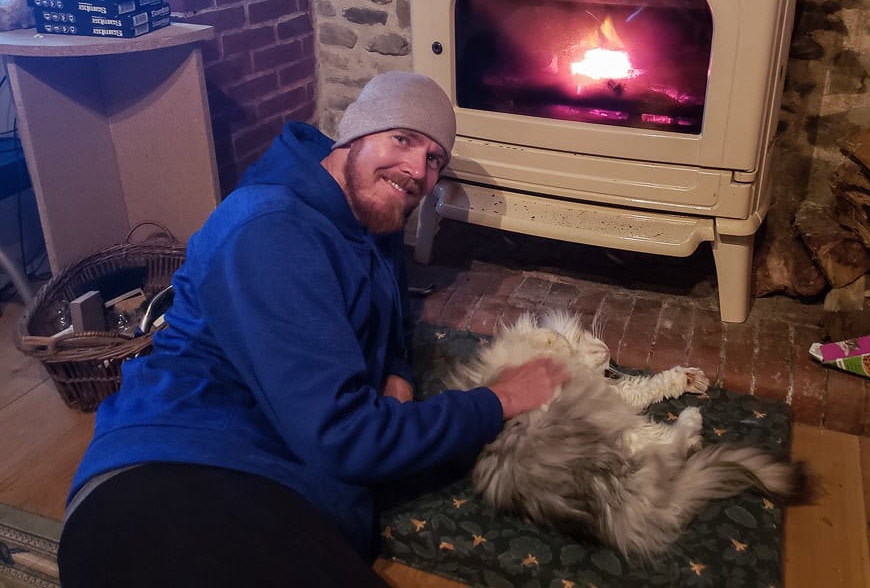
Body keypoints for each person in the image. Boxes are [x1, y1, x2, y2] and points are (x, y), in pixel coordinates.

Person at [57, 71, 569, 588]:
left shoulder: (372, 213)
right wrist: (499, 400)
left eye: (435, 158)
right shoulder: (272, 231)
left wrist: (396, 372)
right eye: (403, 138)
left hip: (283, 487)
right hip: (178, 473)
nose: (417, 169)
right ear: (355, 133)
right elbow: (347, 439)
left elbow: (392, 318)